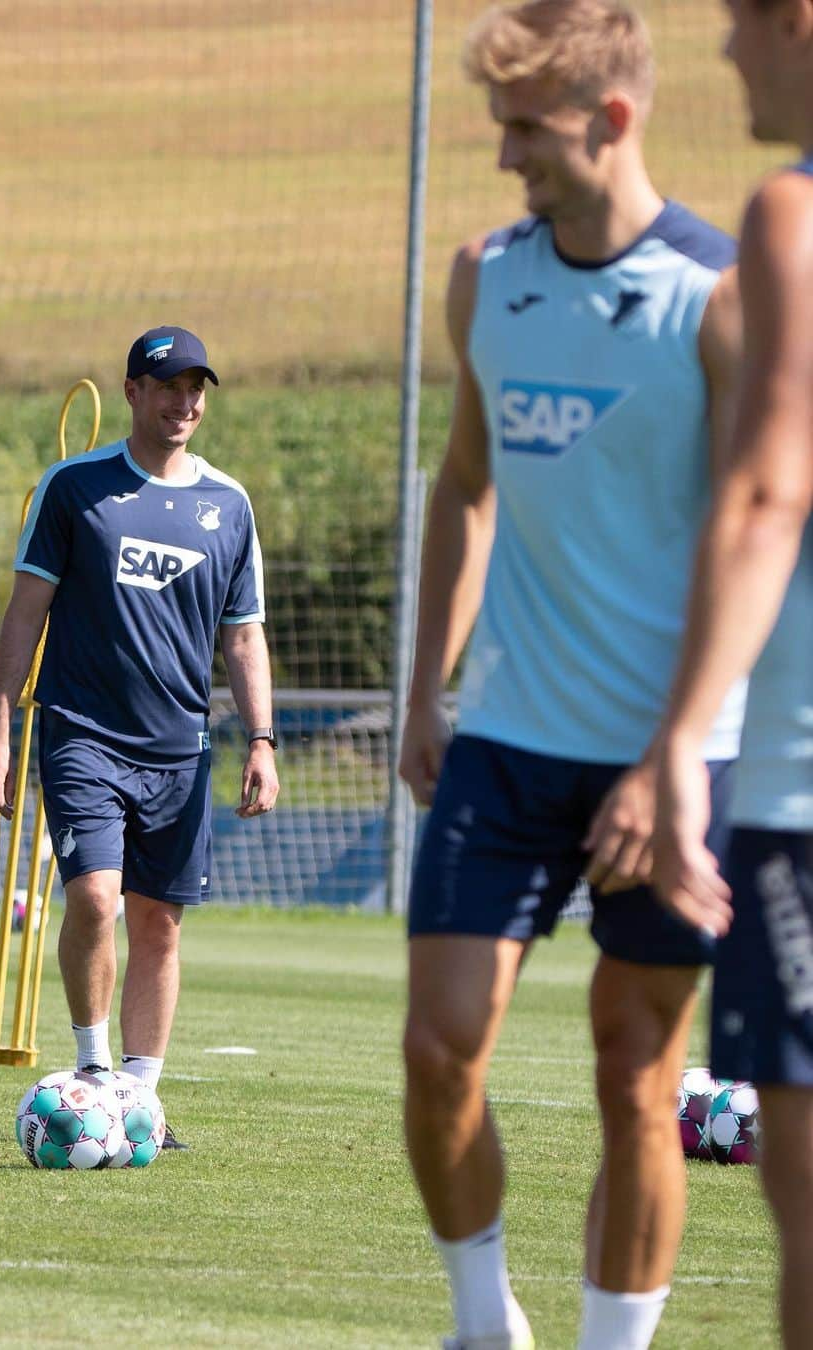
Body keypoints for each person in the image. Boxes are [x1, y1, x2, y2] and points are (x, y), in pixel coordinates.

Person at [397, 2, 745, 1345]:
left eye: (525, 131)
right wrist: (428, 685)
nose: (504, 159)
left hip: (678, 755)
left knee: (636, 1075)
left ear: (612, 120)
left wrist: (675, 756)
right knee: (438, 1054)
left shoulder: (716, 295)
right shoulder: (487, 276)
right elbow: (470, 483)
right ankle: (485, 1325)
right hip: (509, 739)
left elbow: (751, 538)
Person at [0, 325, 279, 1148]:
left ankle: (142, 1099)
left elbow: (243, 636)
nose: (185, 401)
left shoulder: (230, 503)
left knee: (161, 923)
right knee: (96, 900)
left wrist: (262, 739)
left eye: (197, 387)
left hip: (180, 749)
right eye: (168, 385)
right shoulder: (74, 487)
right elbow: (25, 614)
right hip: (83, 735)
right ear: (134, 392)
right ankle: (96, 1071)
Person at [652, 0, 813, 1343]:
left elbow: (766, 498)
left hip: (798, 785)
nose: (725, 53)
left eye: (738, 22)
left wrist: (681, 734)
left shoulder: (789, 217)